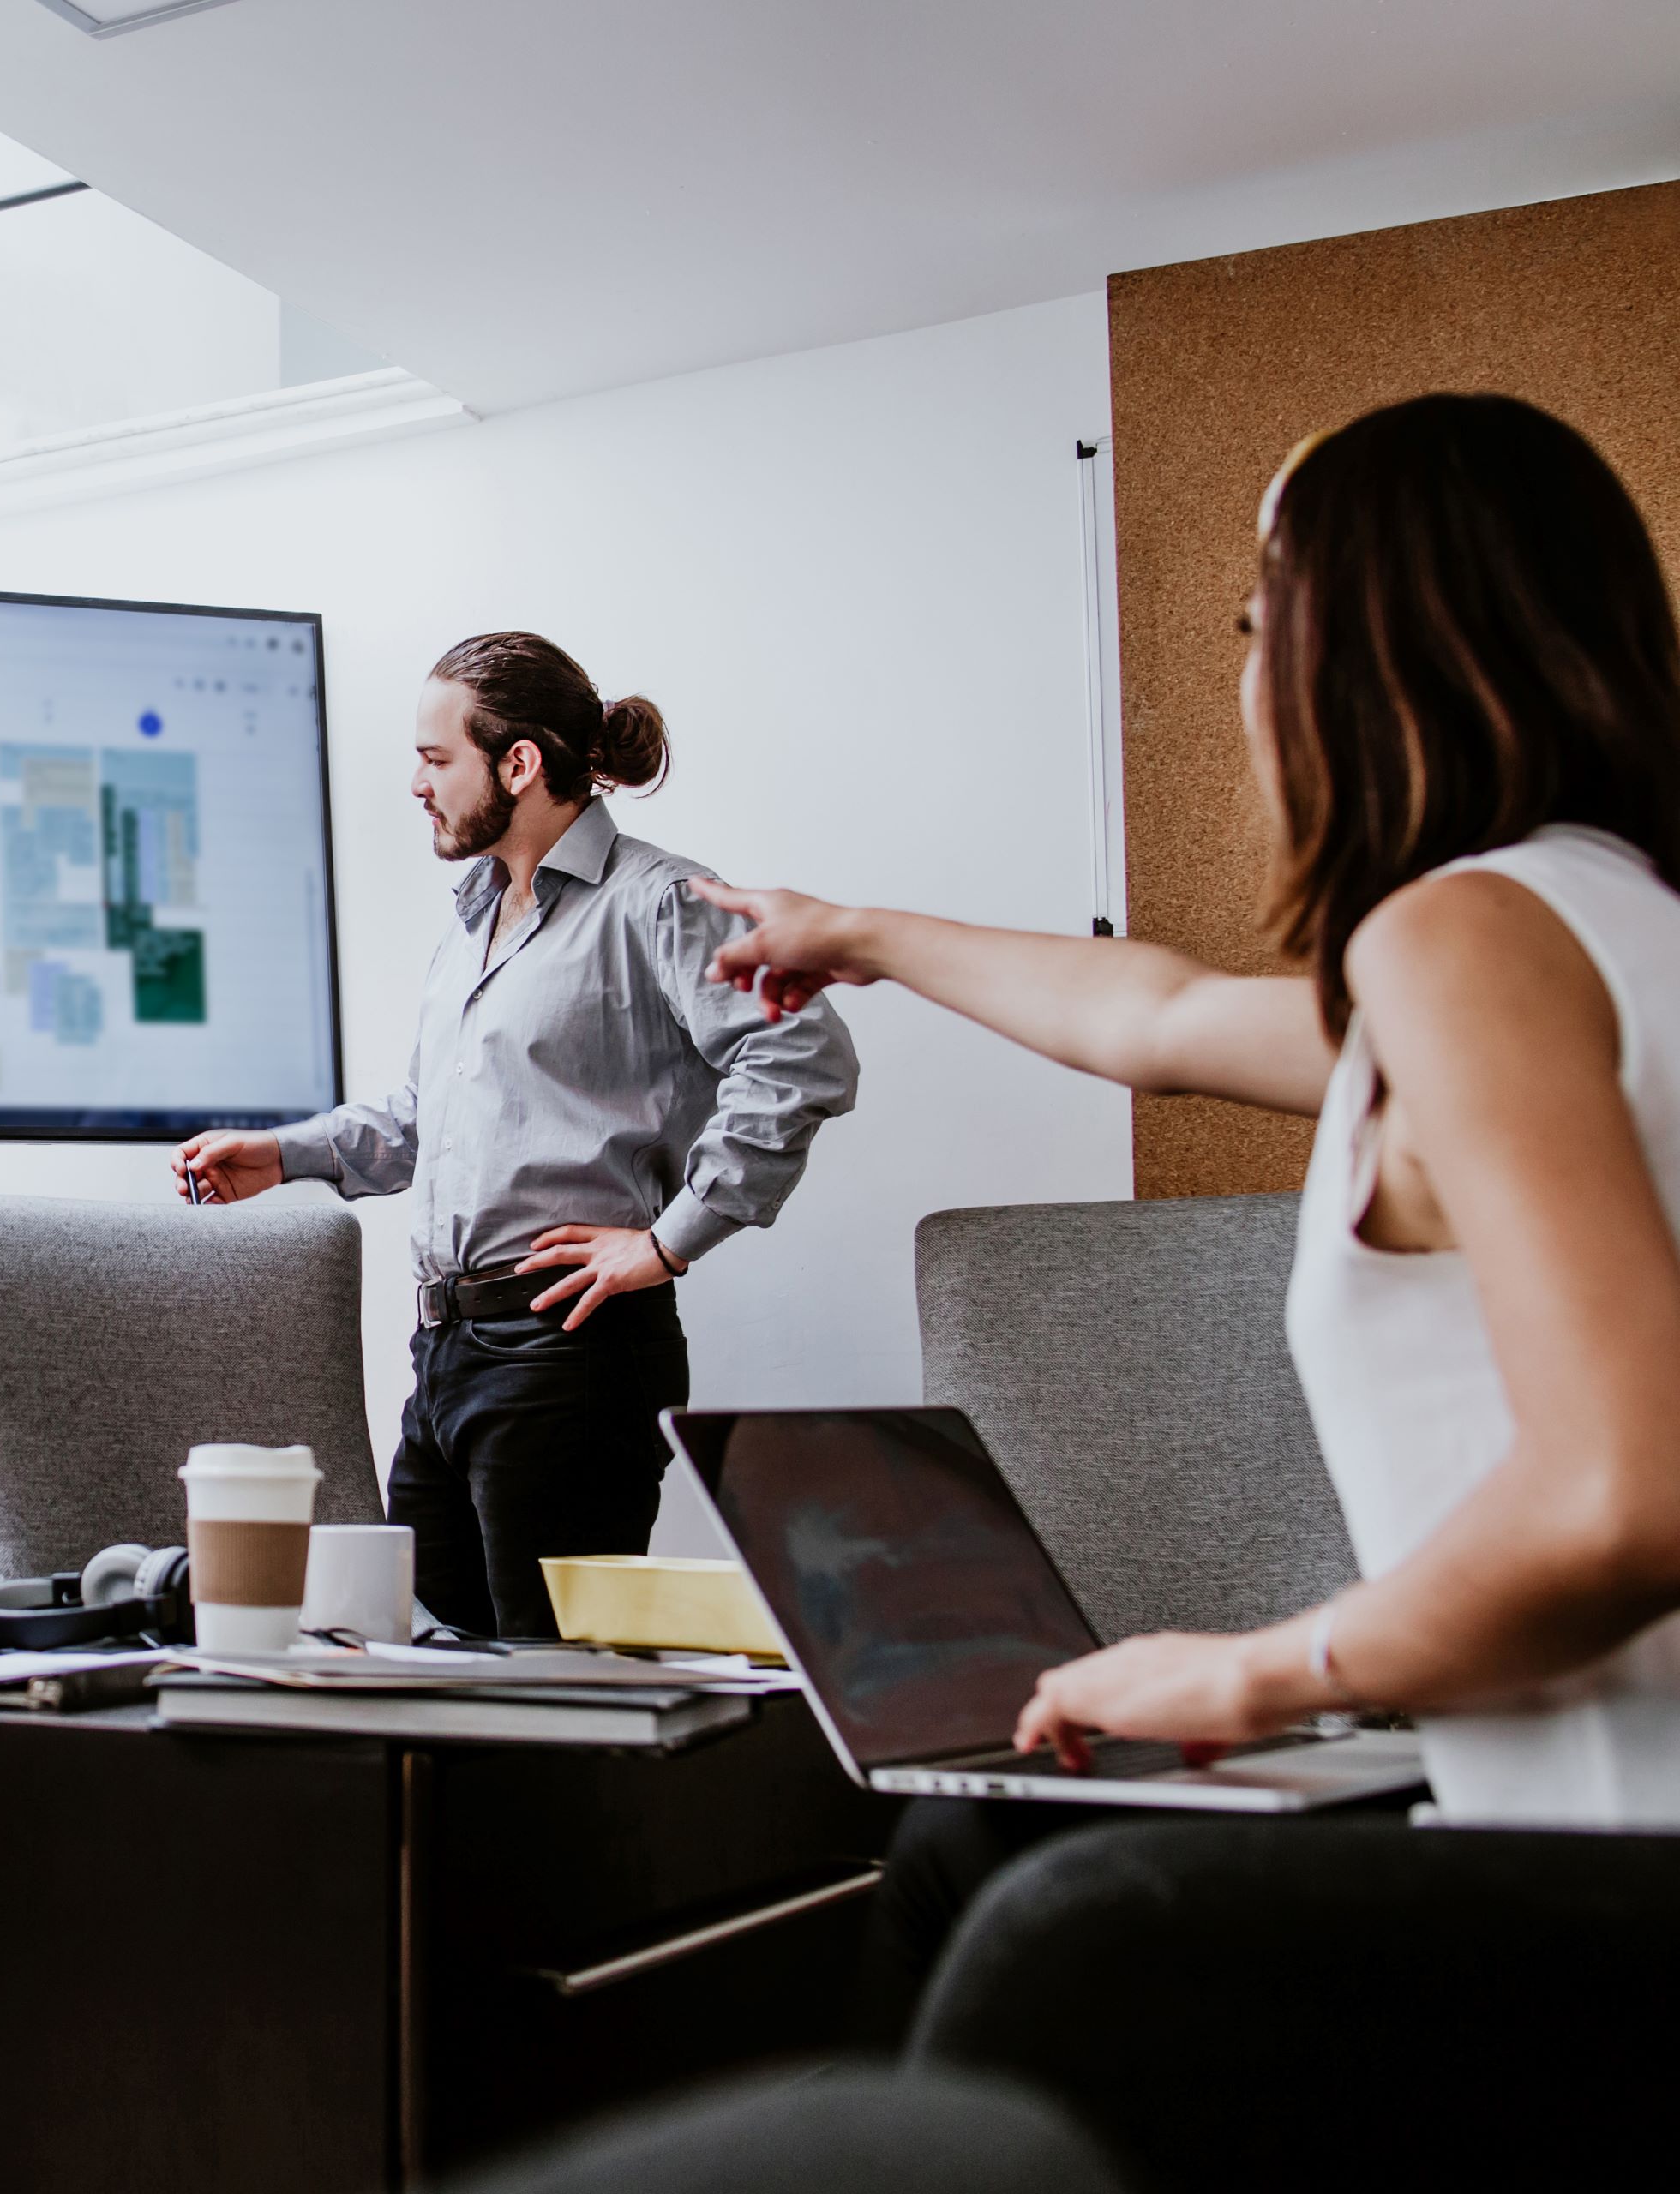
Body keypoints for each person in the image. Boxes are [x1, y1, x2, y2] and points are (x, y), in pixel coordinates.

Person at [696, 393, 1680, 1994]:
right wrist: (852, 931)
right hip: (1559, 1821)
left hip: (1609, 1878)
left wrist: (1254, 1676)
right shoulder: (1612, 934)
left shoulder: (1461, 939)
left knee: (991, 1889)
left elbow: (1630, 1495)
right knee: (989, 1847)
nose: (1244, 673)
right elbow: (1149, 1021)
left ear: (1362, 641)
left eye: (1253, 617)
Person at [175, 634, 860, 1637]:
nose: (416, 783)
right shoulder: (474, 918)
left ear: (520, 763)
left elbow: (804, 1057)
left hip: (568, 1356)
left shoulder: (659, 901)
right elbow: (429, 1117)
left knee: (548, 1692)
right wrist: (284, 1154)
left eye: (435, 757)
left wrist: (668, 1242)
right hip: (447, 1353)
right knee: (421, 1669)